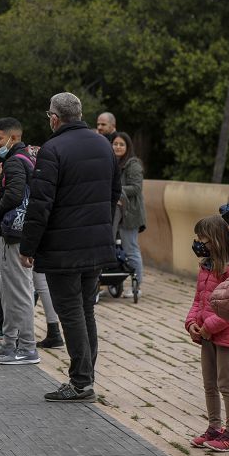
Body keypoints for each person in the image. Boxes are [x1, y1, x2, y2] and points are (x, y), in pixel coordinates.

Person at [21, 93, 121, 401]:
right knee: (85, 310)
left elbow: (40, 205)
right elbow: (114, 191)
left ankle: (80, 382)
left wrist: (29, 246)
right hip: (95, 242)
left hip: (63, 246)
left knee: (71, 312)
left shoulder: (52, 149)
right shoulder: (103, 144)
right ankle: (86, 376)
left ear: (55, 117)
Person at [185, 215, 229, 453]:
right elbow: (198, 300)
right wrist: (191, 323)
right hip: (206, 335)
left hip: (225, 336)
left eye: (203, 239)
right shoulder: (205, 266)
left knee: (225, 383)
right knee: (209, 384)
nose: (199, 243)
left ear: (217, 240)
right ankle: (214, 427)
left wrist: (208, 327)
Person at [0, 119, 39, 366]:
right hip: (16, 234)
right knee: (10, 291)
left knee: (19, 292)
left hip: (15, 234)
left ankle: (27, 348)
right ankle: (9, 344)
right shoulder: (25, 158)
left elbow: (14, 195)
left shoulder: (15, 162)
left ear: (13, 138)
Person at [112, 132, 146, 294]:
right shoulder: (114, 163)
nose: (118, 147)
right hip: (116, 212)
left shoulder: (133, 164)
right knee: (116, 249)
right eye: (115, 144)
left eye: (121, 144)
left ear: (127, 147)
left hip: (130, 215)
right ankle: (114, 283)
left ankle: (136, 286)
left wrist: (114, 190)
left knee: (131, 249)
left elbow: (136, 188)